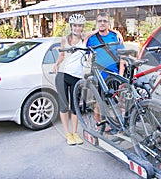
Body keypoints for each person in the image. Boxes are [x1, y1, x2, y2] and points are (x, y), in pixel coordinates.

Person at [53, 13, 86, 145]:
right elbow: (62, 55)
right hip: (62, 75)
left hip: (77, 77)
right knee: (64, 106)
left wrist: (116, 32)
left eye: (79, 26)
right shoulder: (64, 39)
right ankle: (68, 134)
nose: (77, 28)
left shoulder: (85, 39)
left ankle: (75, 133)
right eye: (75, 25)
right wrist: (56, 63)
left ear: (82, 27)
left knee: (75, 107)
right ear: (71, 26)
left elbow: (100, 30)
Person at [84, 12, 125, 79]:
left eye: (105, 21)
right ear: (96, 23)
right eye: (100, 21)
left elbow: (122, 58)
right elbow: (82, 51)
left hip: (113, 77)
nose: (102, 23)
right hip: (97, 78)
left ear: (108, 23)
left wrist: (121, 76)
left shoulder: (115, 37)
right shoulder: (91, 39)